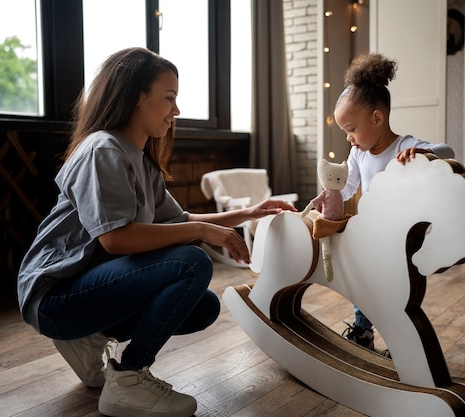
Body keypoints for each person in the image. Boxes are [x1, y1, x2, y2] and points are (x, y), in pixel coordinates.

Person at [16, 47, 297, 417]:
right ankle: (128, 379)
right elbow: (116, 239)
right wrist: (200, 232)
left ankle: (92, 336)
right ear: (136, 97)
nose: (175, 111)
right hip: (54, 297)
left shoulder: (140, 160)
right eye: (169, 99)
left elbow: (178, 221)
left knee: (202, 308)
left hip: (86, 288)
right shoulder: (103, 148)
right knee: (191, 263)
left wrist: (250, 213)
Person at [334, 53, 455, 356]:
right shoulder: (359, 154)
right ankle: (363, 331)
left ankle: (404, 340)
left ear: (377, 118)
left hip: (402, 237)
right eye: (345, 132)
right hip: (372, 235)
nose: (349, 138)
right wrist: (330, 192)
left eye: (351, 129)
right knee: (362, 282)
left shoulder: (404, 146)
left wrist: (421, 153)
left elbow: (447, 150)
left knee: (395, 292)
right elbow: (347, 185)